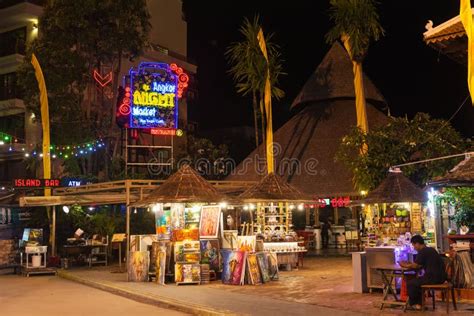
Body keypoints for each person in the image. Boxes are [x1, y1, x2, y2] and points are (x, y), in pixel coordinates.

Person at [400, 235, 447, 310]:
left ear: (417, 243)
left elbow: (416, 266)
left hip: (433, 278)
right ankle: (420, 303)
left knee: (411, 283)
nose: (414, 247)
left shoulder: (423, 251)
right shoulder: (430, 249)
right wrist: (410, 264)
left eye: (414, 245)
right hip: (441, 277)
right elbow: (419, 265)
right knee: (417, 281)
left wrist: (404, 265)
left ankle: (417, 304)